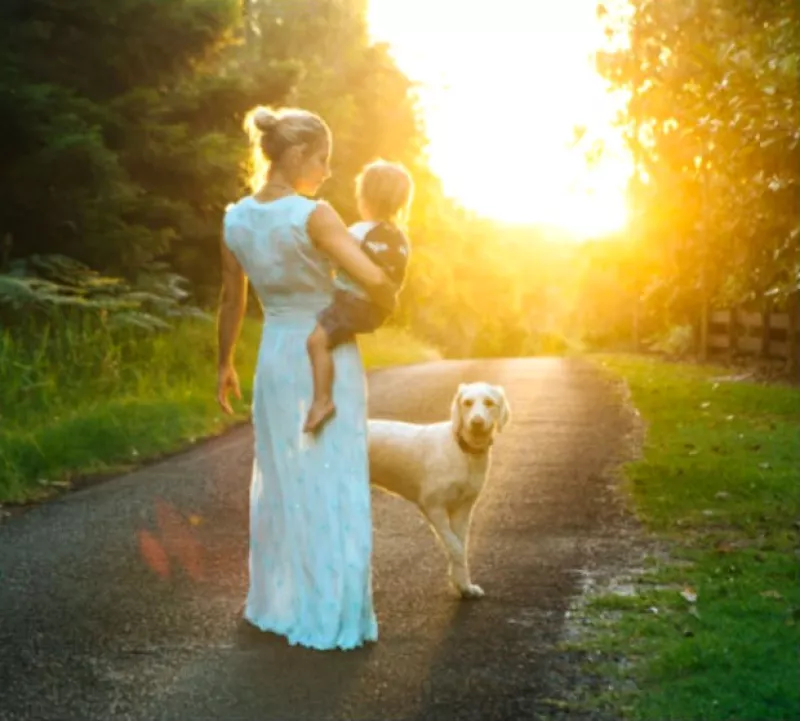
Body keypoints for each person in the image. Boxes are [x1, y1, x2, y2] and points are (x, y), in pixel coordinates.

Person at [216, 104, 396, 651]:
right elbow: (375, 278)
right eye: (322, 160)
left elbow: (232, 298)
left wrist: (223, 364)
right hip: (326, 350)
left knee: (284, 479)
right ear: (295, 156)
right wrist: (378, 280)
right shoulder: (314, 216)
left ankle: (281, 603)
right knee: (333, 475)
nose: (326, 172)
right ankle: (330, 610)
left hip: (274, 356)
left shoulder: (235, 219)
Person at [304, 160, 413, 433]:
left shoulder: (356, 232)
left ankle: (322, 401)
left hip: (352, 304)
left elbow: (333, 259)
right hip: (377, 310)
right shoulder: (400, 239)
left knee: (316, 341)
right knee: (332, 336)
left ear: (365, 198)